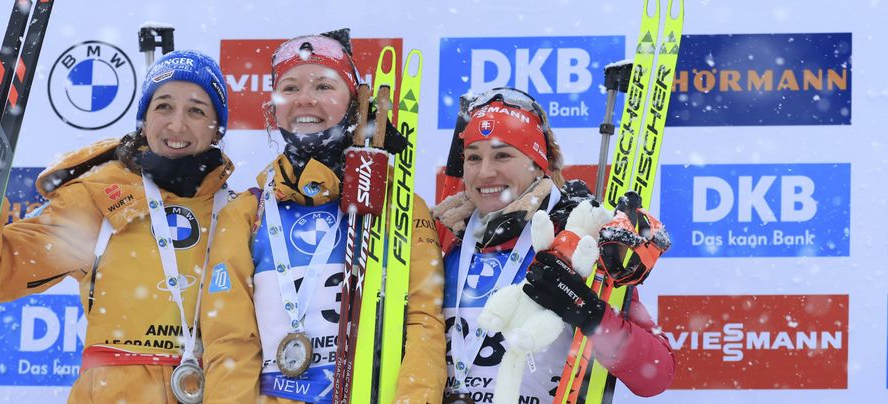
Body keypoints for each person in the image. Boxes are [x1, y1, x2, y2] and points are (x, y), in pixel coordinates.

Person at [0, 50, 234, 403]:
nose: (177, 125)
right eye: (163, 106)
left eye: (196, 110)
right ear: (144, 120)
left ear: (217, 128)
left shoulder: (239, 212)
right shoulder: (100, 199)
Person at [200, 30, 447, 403]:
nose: (305, 99)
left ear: (355, 102)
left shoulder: (400, 207)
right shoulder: (247, 214)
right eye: (290, 87)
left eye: (324, 86)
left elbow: (422, 324)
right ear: (273, 106)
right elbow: (230, 342)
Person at [431, 87, 676, 403]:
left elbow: (657, 373)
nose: (485, 172)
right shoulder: (443, 243)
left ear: (537, 164)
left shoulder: (578, 245)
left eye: (502, 155)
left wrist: (588, 312)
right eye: (474, 157)